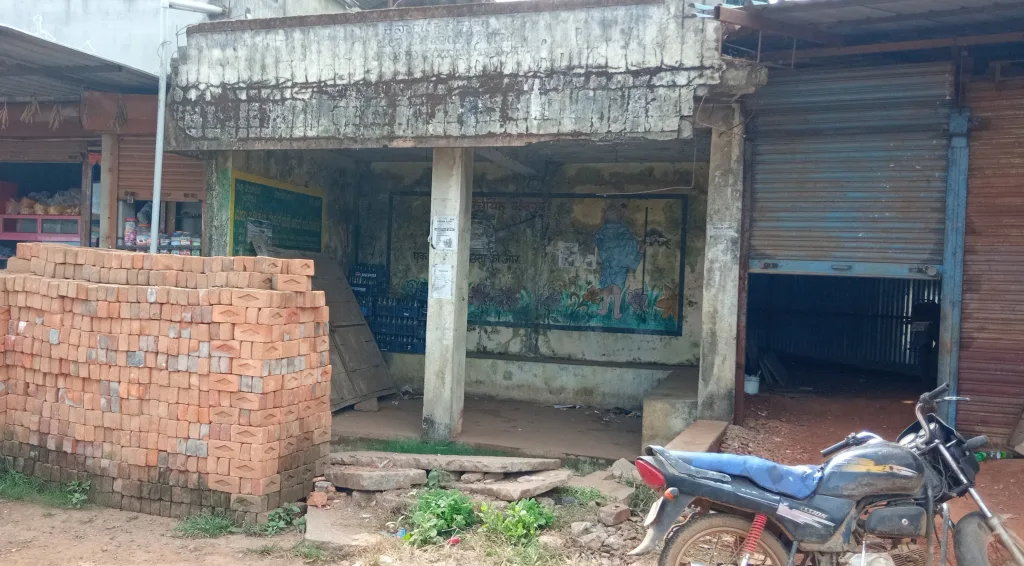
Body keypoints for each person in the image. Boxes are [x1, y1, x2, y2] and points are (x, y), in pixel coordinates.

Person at [594, 203, 645, 320]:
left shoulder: (620, 230)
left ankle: (615, 311)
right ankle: (606, 309)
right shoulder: (614, 230)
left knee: (613, 290)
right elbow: (630, 242)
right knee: (609, 290)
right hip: (612, 265)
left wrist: (610, 248)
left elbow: (599, 240)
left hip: (616, 265)